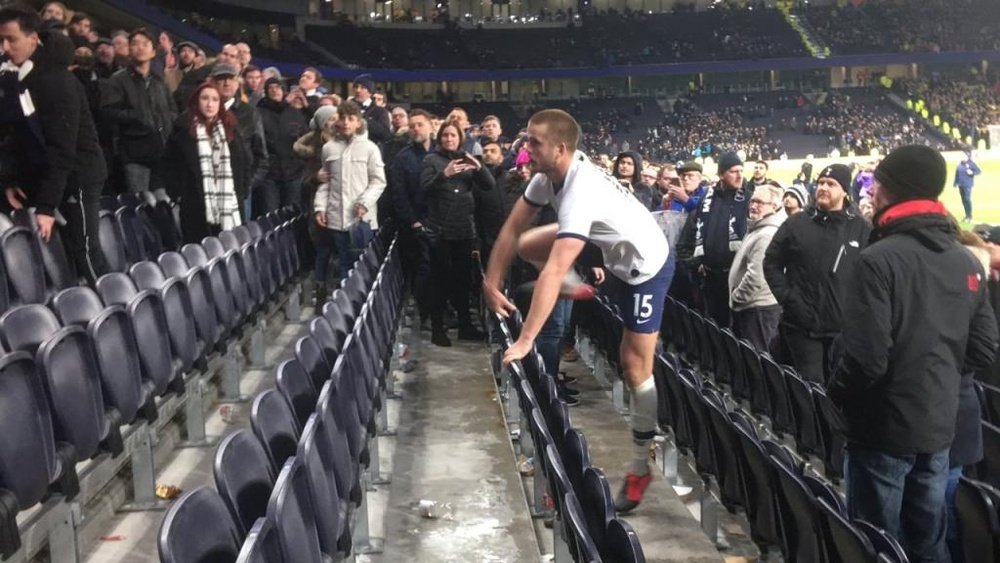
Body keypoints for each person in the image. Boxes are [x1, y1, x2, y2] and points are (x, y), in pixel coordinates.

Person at [482, 109, 670, 514]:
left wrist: (526, 339)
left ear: (560, 148)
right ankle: (573, 286)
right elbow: (511, 229)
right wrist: (490, 282)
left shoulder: (580, 191)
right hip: (610, 245)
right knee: (528, 242)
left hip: (645, 265)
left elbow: (551, 269)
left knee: (634, 366)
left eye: (534, 142)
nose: (525, 148)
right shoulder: (546, 177)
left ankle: (641, 465)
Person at [829, 145, 998, 563]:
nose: (872, 192)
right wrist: (935, 377)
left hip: (881, 430)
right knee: (929, 543)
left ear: (891, 190)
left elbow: (866, 360)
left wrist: (837, 396)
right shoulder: (967, 261)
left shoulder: (876, 260)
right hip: (940, 428)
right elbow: (981, 347)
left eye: (878, 184)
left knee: (874, 544)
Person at [0, 7, 108, 280]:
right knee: (63, 256)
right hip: (49, 176)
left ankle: (115, 311)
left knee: (85, 249)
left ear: (33, 38)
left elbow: (62, 150)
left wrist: (47, 206)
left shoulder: (57, 81)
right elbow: (17, 136)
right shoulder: (16, 78)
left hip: (78, 174)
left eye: (11, 39)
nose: (4, 47)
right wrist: (11, 180)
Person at [764, 164, 871, 384]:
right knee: (812, 388)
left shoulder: (861, 228)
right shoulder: (796, 223)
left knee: (839, 388)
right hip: (802, 326)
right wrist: (788, 298)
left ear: (844, 191)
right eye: (821, 182)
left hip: (842, 331)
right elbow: (772, 261)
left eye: (831, 184)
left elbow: (870, 276)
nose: (823, 187)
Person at [421, 120, 494, 346]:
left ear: (460, 139)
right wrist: (444, 174)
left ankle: (465, 326)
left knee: (464, 281)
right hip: (440, 230)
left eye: (453, 136)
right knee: (439, 282)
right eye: (445, 136)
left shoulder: (467, 159)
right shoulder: (431, 160)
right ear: (440, 138)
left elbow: (489, 185)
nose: (449, 139)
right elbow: (424, 189)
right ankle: (437, 328)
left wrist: (478, 167)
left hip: (464, 229)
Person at [313, 102, 385, 300]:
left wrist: (364, 203)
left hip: (362, 220)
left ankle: (361, 305)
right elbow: (326, 182)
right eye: (342, 118)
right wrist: (320, 208)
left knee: (363, 265)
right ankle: (346, 304)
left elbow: (379, 182)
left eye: (351, 119)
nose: (346, 123)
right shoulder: (328, 148)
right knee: (342, 262)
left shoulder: (370, 149)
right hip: (336, 217)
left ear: (358, 122)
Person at [163, 82, 248, 243]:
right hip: (194, 206)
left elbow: (245, 163)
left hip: (228, 204)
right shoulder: (182, 132)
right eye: (205, 98)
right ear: (196, 102)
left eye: (215, 100)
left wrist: (242, 191)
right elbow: (168, 166)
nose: (210, 104)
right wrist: (178, 193)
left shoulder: (231, 131)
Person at [677, 152, 751, 328]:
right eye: (733, 171)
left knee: (739, 331)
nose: (739, 175)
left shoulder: (749, 199)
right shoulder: (707, 200)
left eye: (741, 170)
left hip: (737, 279)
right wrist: (695, 263)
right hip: (710, 278)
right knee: (716, 328)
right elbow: (692, 233)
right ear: (721, 175)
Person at [102, 28, 176, 195]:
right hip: (134, 153)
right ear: (129, 50)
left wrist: (168, 123)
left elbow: (171, 109)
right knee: (140, 204)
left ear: (153, 51)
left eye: (145, 44)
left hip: (161, 151)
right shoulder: (118, 79)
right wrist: (137, 117)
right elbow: (109, 112)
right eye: (135, 44)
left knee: (163, 205)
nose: (140, 48)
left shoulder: (159, 81)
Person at [389, 109, 435, 325]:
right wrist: (413, 221)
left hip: (442, 223)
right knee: (423, 270)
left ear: (431, 126)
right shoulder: (402, 158)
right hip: (416, 225)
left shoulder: (442, 153)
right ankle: (425, 314)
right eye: (413, 125)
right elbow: (399, 195)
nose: (416, 129)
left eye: (420, 124)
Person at [728, 183, 785, 355]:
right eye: (752, 201)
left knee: (758, 364)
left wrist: (737, 297)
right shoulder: (757, 228)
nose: (753, 206)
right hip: (753, 308)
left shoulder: (766, 235)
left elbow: (756, 277)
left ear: (774, 206)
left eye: (760, 202)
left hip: (757, 310)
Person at [256, 77, 307, 214]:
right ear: (266, 91)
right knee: (270, 214)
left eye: (277, 87)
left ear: (283, 90)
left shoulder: (294, 113)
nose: (274, 90)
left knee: (291, 215)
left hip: (293, 173)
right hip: (269, 174)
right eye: (270, 88)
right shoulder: (258, 113)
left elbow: (304, 139)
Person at [351, 73, 391, 145]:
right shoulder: (346, 108)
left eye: (363, 87)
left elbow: (386, 134)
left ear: (370, 92)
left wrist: (365, 119)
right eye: (356, 87)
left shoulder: (380, 111)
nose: (358, 90)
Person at [954, 150, 981, 223]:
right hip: (961, 184)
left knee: (967, 199)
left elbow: (978, 171)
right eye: (961, 156)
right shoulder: (960, 164)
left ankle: (970, 216)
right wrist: (955, 183)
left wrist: (972, 172)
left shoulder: (971, 163)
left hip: (968, 184)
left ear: (967, 156)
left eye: (963, 156)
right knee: (963, 200)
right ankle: (966, 215)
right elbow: (957, 173)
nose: (962, 157)